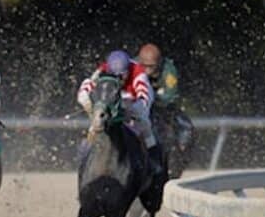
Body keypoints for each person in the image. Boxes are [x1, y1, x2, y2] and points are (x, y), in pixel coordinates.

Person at [77, 49, 163, 178]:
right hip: (111, 103)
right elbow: (86, 86)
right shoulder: (103, 70)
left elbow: (144, 101)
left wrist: (126, 109)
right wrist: (87, 102)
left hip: (133, 104)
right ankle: (84, 157)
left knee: (145, 124)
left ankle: (153, 159)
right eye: (115, 75)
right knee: (95, 126)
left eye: (122, 75)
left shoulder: (139, 73)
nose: (119, 79)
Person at [136, 42, 194, 175]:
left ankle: (178, 164)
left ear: (159, 62)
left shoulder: (169, 70)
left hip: (162, 109)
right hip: (137, 108)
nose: (147, 71)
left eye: (151, 67)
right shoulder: (132, 65)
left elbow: (170, 96)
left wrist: (151, 98)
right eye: (144, 66)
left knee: (187, 128)